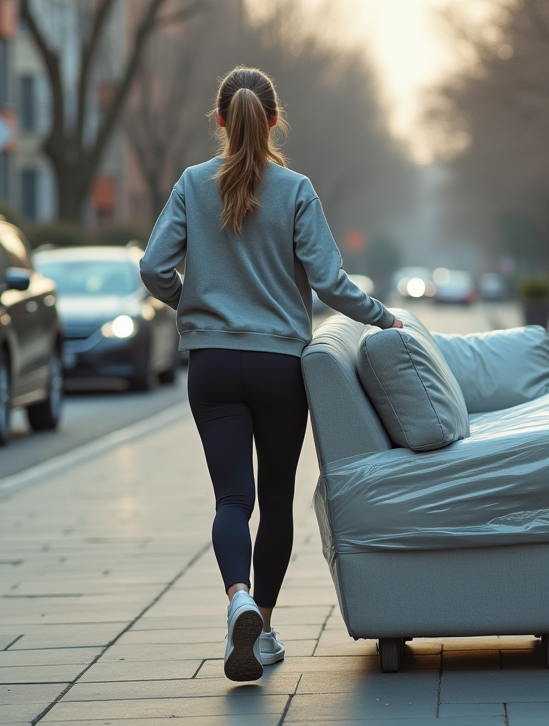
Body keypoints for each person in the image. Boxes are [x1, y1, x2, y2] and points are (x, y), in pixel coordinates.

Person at [140, 67, 401, 682]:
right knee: (277, 501)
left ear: (221, 119)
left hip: (212, 368)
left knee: (233, 498)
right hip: (280, 368)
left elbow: (154, 269)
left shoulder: (190, 185)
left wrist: (195, 307)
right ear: (274, 120)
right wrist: (384, 318)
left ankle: (238, 602)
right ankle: (263, 628)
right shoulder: (296, 190)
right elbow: (332, 283)